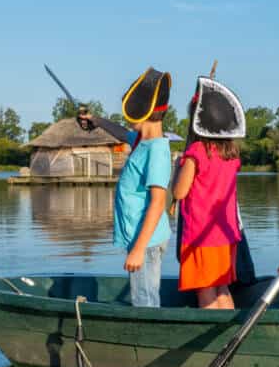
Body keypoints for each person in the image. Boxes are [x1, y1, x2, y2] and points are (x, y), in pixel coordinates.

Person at [79, 67, 172, 307]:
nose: (127, 120)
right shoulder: (142, 140)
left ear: (139, 114)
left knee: (144, 299)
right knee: (143, 294)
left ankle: (149, 339)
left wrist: (139, 249)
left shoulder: (157, 151)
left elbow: (158, 202)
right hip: (139, 236)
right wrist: (96, 121)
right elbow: (122, 133)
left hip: (147, 241)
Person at [173, 76, 246, 309]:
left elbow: (180, 191)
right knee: (221, 287)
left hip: (201, 236)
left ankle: (212, 341)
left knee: (205, 289)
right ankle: (228, 331)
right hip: (226, 236)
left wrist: (177, 169)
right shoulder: (231, 155)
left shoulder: (196, 152)